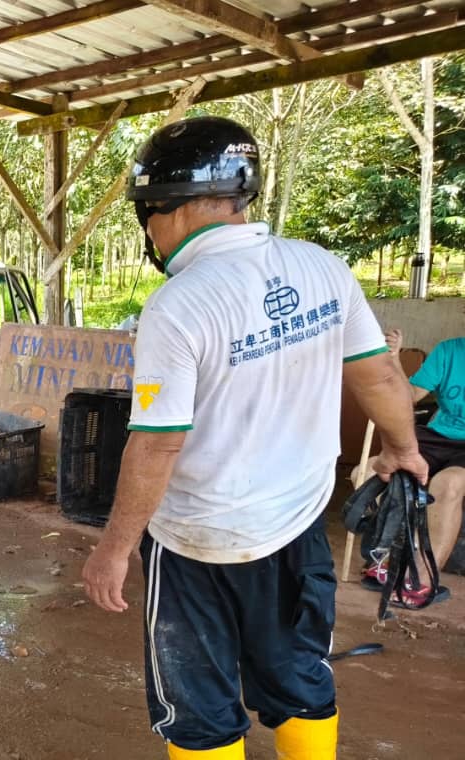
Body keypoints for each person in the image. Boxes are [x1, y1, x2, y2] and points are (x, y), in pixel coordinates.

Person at [80, 117, 425, 760]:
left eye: (146, 214)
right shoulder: (321, 266)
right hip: (297, 528)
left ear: (169, 210)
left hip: (195, 543)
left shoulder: (180, 303)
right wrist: (403, 449)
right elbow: (379, 374)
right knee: (299, 680)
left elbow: (157, 443)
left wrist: (113, 550)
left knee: (199, 706)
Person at [358, 329, 465, 601]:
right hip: (438, 437)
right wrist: (393, 359)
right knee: (368, 470)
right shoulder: (449, 350)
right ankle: (384, 557)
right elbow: (409, 397)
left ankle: (423, 579)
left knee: (448, 483)